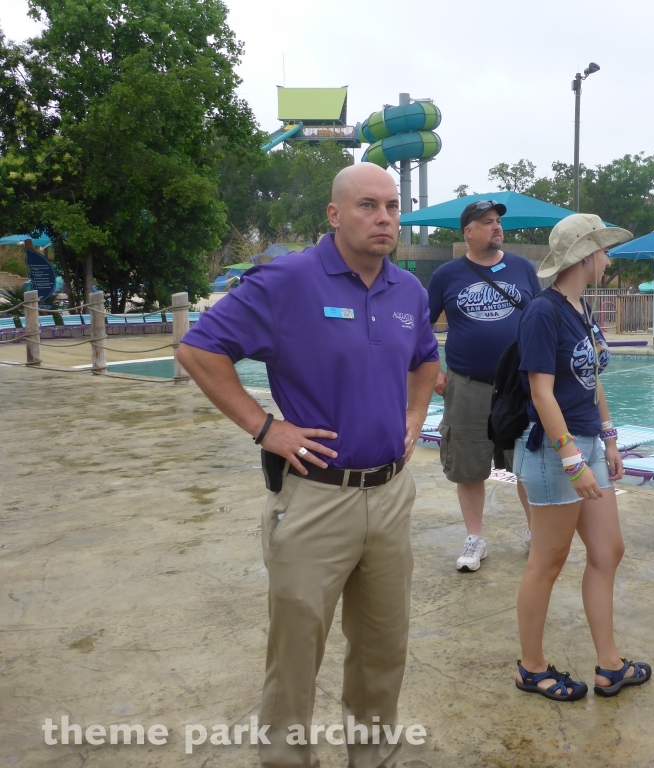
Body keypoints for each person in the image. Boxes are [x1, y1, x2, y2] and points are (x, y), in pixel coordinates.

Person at [176, 164, 439, 768]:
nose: (383, 219)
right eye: (368, 206)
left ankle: (372, 759)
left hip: (391, 495)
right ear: (335, 214)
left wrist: (416, 416)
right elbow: (198, 349)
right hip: (316, 499)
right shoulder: (290, 280)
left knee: (383, 651)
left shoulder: (409, 292)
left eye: (393, 207)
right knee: (295, 658)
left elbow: (427, 361)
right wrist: (267, 428)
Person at [512, 213, 651, 700]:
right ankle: (531, 667)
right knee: (547, 562)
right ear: (585, 255)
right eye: (603, 252)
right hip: (556, 452)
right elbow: (541, 392)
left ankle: (609, 665)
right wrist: (572, 459)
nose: (608, 261)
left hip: (588, 443)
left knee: (609, 550)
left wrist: (609, 439)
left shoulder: (580, 309)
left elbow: (592, 380)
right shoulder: (543, 312)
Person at [427, 201, 541, 571]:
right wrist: (433, 373)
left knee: (526, 463)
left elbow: (542, 321)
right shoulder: (446, 275)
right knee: (468, 465)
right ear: (468, 233)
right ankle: (475, 539)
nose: (495, 227)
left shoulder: (523, 268)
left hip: (517, 387)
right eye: (486, 222)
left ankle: (535, 534)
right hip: (466, 385)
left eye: (497, 222)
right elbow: (419, 329)